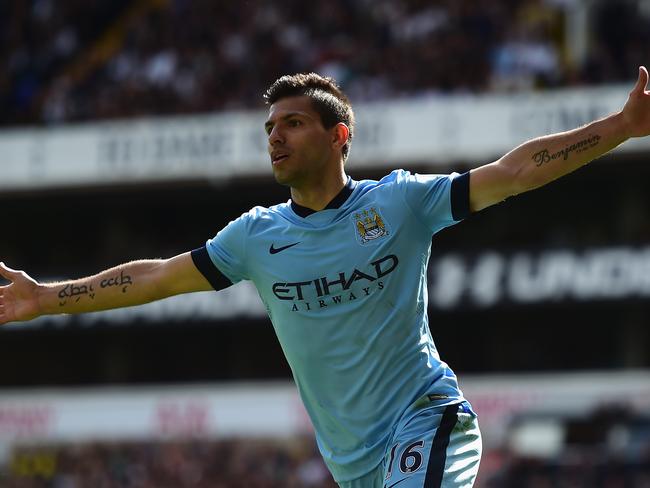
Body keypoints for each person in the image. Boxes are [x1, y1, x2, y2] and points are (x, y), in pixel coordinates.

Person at [1, 68, 649, 487]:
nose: (275, 138)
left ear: (340, 136)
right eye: (269, 127)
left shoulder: (399, 203)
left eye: (292, 123)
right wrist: (46, 296)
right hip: (352, 462)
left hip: (424, 418)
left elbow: (515, 172)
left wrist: (621, 128)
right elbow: (156, 278)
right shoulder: (256, 237)